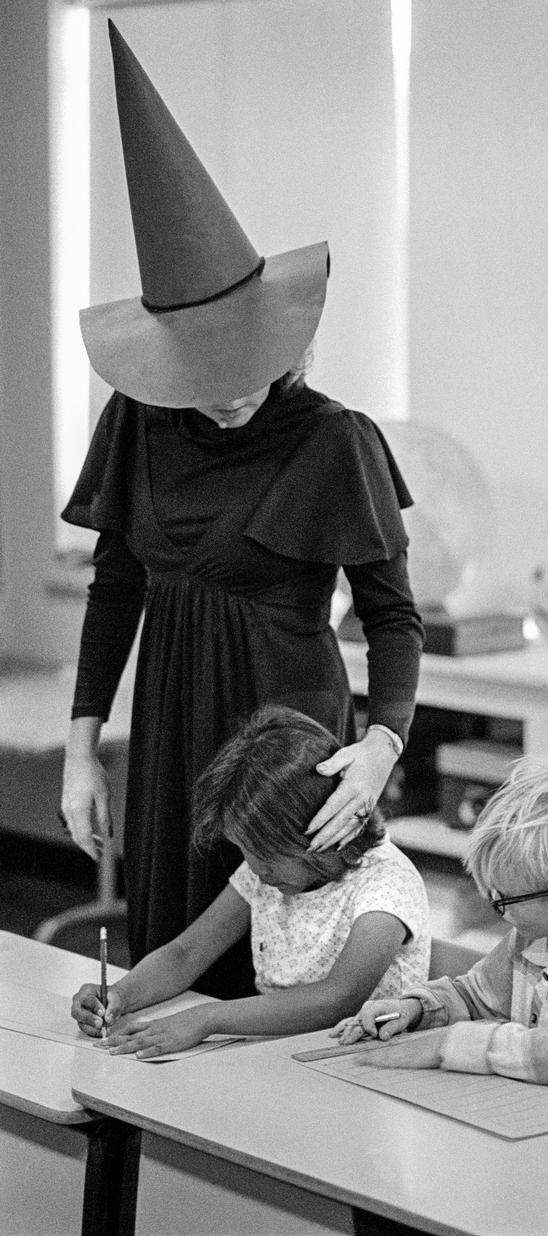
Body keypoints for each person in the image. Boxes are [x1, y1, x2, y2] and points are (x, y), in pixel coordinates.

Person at [58, 22, 423, 998]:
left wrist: (379, 746)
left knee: (281, 963)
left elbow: (390, 617)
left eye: (246, 373)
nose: (226, 395)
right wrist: (82, 748)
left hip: (286, 729)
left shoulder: (334, 439)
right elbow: (114, 588)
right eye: (202, 378)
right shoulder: (140, 422)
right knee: (168, 944)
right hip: (172, 715)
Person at [333, 756, 548, 1112]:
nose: (497, 910)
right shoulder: (537, 934)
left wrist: (452, 1044)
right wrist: (415, 1008)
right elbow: (476, 996)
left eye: (504, 901)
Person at [70, 706, 430, 1057]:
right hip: (279, 1055)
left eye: (266, 853)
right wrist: (120, 994)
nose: (255, 868)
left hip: (363, 1065)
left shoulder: (385, 883)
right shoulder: (269, 873)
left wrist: (206, 1018)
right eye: (245, 851)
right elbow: (187, 953)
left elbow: (336, 999)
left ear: (318, 829)